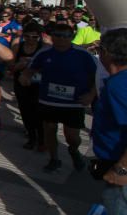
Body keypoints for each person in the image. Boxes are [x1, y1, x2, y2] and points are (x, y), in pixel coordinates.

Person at [21, 21, 96, 173]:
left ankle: (74, 151)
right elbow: (30, 69)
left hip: (74, 102)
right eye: (58, 35)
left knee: (72, 137)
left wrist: (91, 94)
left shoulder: (83, 54)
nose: (61, 39)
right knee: (49, 129)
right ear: (52, 37)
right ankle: (54, 159)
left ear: (72, 37)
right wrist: (25, 77)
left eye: (66, 36)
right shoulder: (44, 52)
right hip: (48, 100)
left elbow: (97, 76)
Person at [91, 28, 127, 215]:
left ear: (108, 54)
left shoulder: (120, 86)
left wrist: (122, 170)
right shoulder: (116, 83)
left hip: (123, 180)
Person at [11, 22, 47, 150]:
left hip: (39, 85)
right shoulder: (18, 47)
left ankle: (42, 139)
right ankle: (32, 137)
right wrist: (19, 66)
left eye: (34, 37)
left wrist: (34, 66)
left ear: (39, 37)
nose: (31, 39)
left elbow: (50, 67)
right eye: (27, 36)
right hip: (21, 83)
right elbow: (11, 67)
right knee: (25, 112)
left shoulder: (44, 48)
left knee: (39, 113)